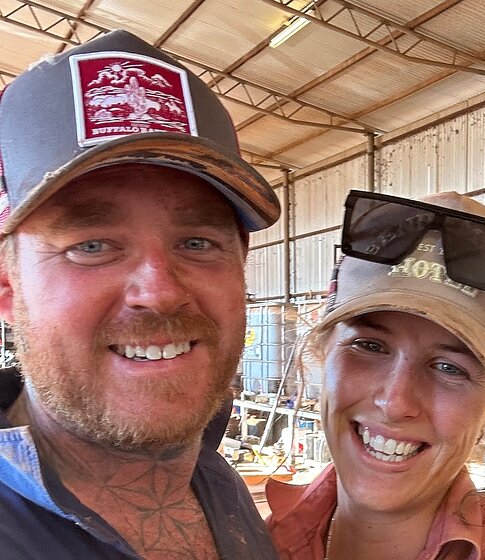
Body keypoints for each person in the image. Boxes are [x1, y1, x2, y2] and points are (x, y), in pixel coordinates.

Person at [0, 30, 281, 559]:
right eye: (91, 246)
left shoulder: (215, 480)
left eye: (197, 243)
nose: (160, 292)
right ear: (8, 288)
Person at [266, 190, 485, 560]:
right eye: (370, 346)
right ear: (323, 352)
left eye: (449, 368)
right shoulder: (249, 540)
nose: (395, 403)